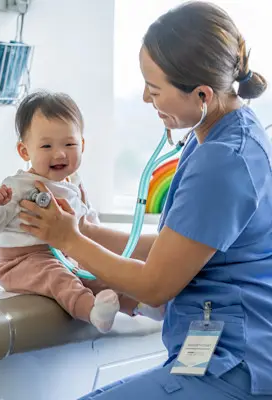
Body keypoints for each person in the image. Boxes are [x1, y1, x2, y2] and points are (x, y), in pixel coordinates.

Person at [18, 2, 272, 399]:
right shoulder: (221, 134)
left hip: (234, 366)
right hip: (212, 355)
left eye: (154, 90)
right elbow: (176, 247)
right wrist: (83, 229)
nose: (144, 97)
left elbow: (155, 285)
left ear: (201, 95)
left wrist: (70, 241)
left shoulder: (223, 160)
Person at [0, 91, 162, 334]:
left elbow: (88, 222)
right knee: (59, 279)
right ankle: (92, 313)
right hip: (23, 261)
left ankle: (139, 305)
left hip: (66, 253)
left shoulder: (73, 182)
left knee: (100, 275)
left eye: (69, 144)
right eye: (46, 146)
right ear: (24, 151)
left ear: (82, 144)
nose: (60, 153)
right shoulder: (18, 186)